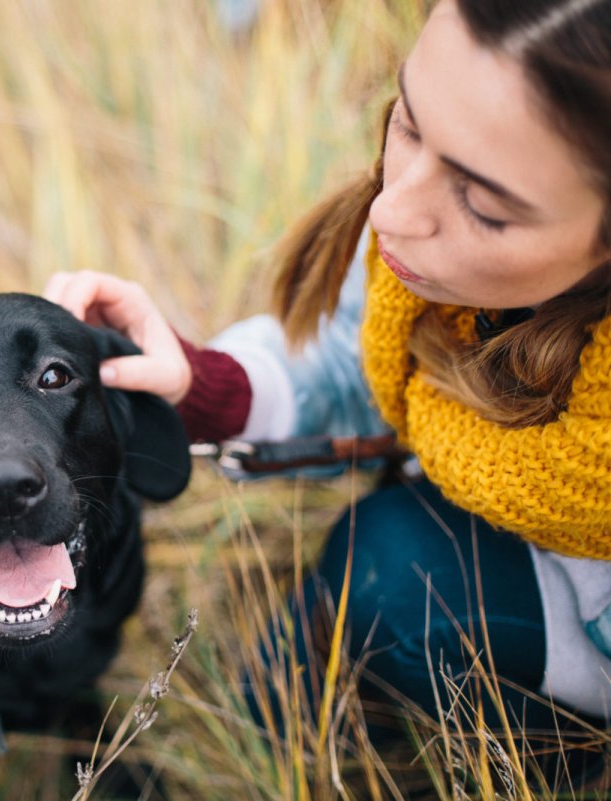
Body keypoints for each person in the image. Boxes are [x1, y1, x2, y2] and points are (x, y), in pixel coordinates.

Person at [45, 0, 611, 778]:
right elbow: (359, 356)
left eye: (481, 206)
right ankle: (251, 758)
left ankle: (552, 759)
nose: (391, 209)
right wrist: (204, 382)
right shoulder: (421, 249)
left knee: (386, 563)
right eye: (407, 123)